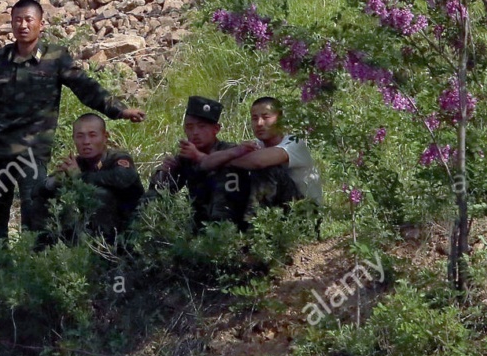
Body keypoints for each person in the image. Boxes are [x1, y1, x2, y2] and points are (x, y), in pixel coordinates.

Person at [0, 0, 146, 244]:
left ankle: (33, 272)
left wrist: (119, 110)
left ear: (40, 24)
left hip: (31, 153)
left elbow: (86, 88)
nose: (23, 25)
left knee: (35, 218)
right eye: (17, 20)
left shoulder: (55, 57)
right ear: (11, 24)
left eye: (28, 20)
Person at [199, 96, 323, 231]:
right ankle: (223, 227)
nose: (259, 123)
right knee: (232, 171)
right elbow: (206, 164)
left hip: (305, 215)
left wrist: (227, 158)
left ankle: (253, 230)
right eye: (254, 118)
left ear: (280, 119)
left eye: (266, 117)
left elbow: (258, 162)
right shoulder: (256, 145)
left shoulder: (294, 143)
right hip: (278, 212)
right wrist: (235, 152)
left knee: (267, 168)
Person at [37, 114, 144, 245]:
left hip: (129, 228)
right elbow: (38, 190)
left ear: (105, 137)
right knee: (43, 202)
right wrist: (58, 180)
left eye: (93, 135)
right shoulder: (78, 162)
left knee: (99, 195)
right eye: (80, 136)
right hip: (90, 227)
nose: (86, 142)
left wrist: (79, 177)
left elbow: (123, 178)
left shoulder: (117, 157)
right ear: (74, 139)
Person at [145, 95, 246, 231]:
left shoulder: (229, 150)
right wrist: (165, 172)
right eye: (189, 127)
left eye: (202, 127)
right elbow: (161, 190)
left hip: (231, 225)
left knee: (227, 172)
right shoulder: (186, 156)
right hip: (199, 226)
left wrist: (199, 157)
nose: (195, 133)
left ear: (216, 129)